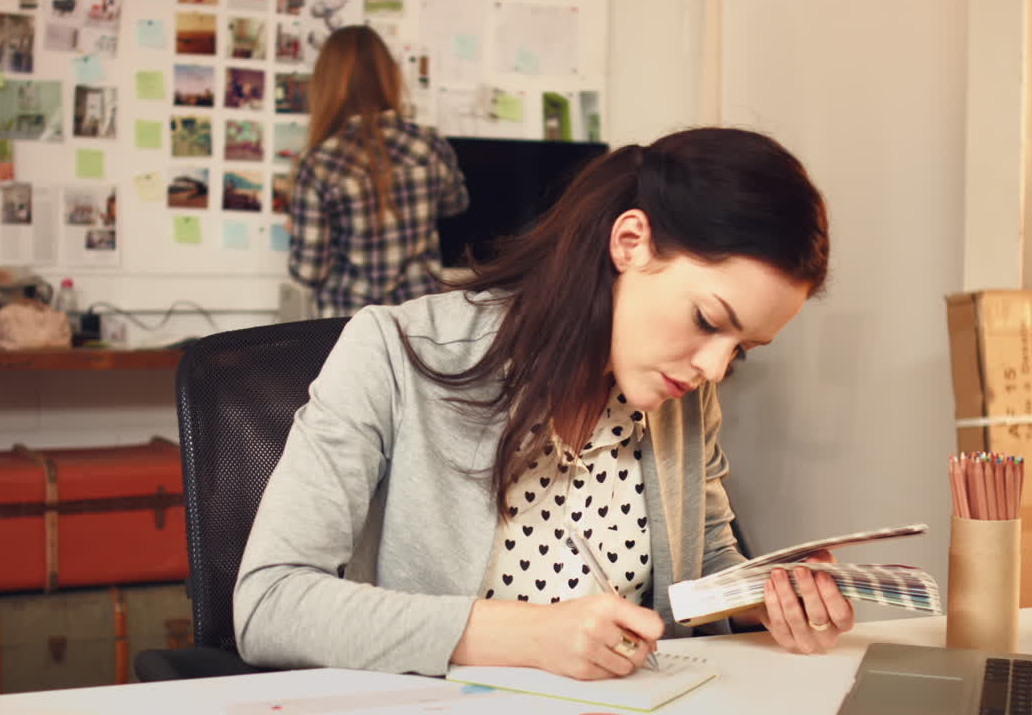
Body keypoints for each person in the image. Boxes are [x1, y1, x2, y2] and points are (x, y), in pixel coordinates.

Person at [237, 126, 853, 680]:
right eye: (708, 321)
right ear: (631, 242)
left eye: (741, 348)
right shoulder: (393, 350)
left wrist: (764, 597)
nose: (714, 368)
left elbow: (705, 555)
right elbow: (271, 602)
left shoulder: (682, 395)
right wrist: (530, 637)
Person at [287, 25, 468, 317]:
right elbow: (455, 205)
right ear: (388, 77)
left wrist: (298, 228)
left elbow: (309, 272)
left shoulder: (319, 162)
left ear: (325, 85)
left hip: (349, 324)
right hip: (418, 320)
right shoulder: (430, 143)